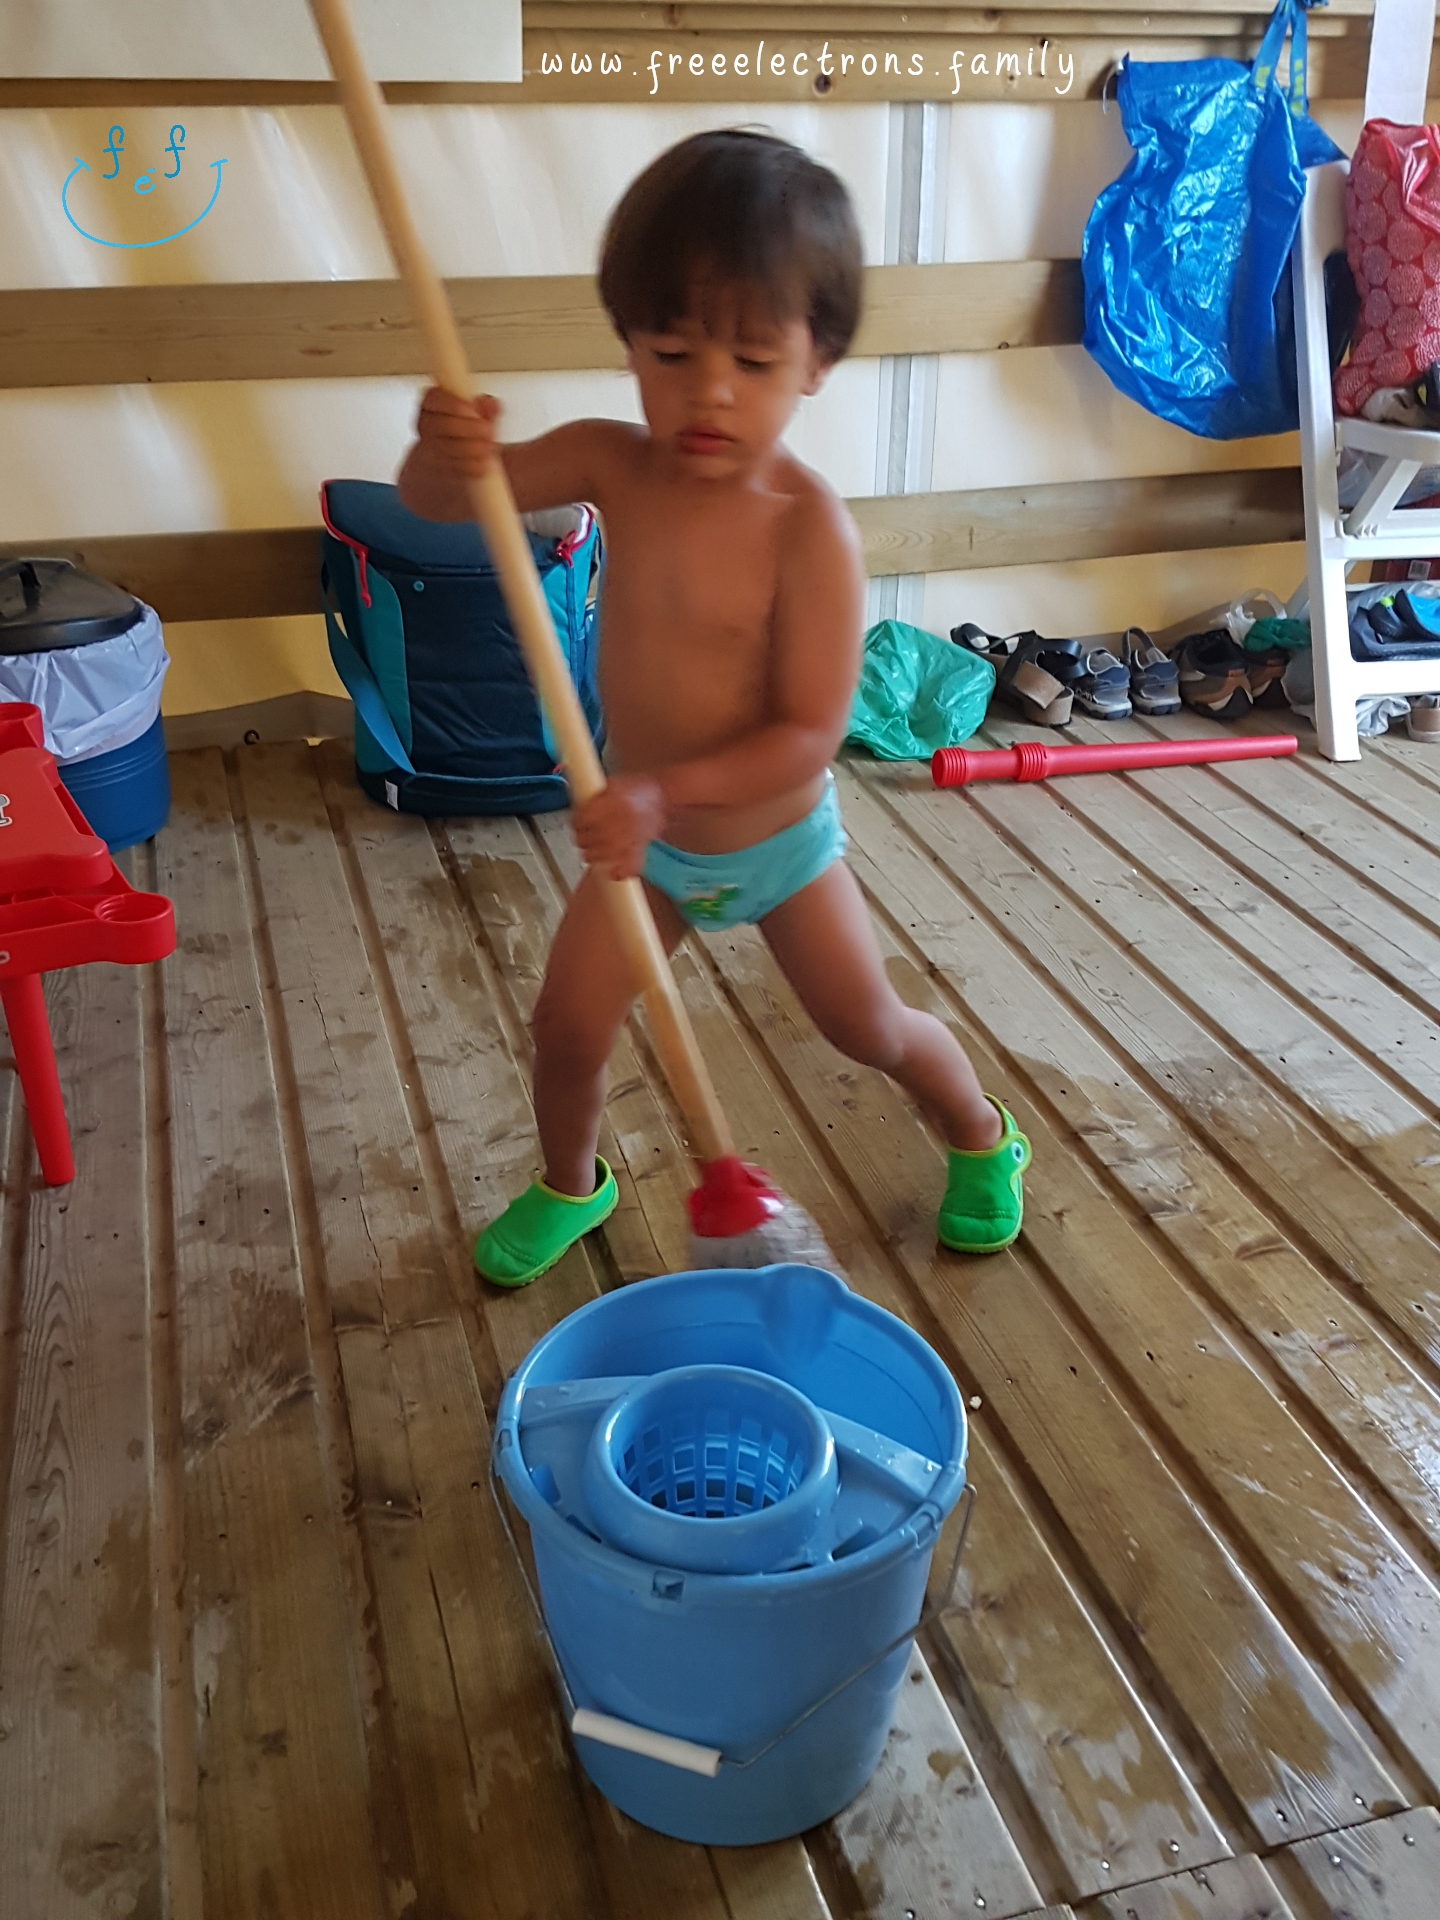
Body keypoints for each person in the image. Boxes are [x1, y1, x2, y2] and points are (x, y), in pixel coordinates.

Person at [397, 128, 1032, 1286]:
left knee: (868, 1028)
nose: (707, 393)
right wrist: (443, 451)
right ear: (630, 341)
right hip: (648, 849)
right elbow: (447, 500)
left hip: (777, 843)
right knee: (568, 1029)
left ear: (818, 361)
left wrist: (656, 789)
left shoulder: (809, 530)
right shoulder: (609, 460)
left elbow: (804, 736)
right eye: (672, 350)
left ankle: (983, 1134)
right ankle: (569, 1184)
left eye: (750, 359)